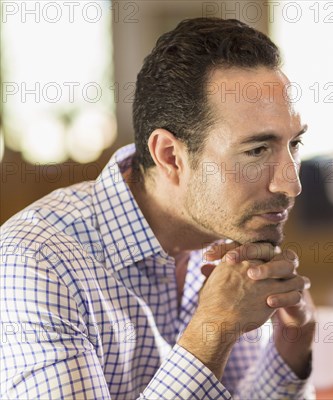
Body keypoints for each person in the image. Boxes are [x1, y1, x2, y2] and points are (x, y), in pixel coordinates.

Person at [0, 18, 316, 399]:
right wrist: (212, 331)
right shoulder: (35, 263)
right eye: (256, 151)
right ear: (170, 156)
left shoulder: (226, 238)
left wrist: (292, 345)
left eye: (293, 144)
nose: (290, 184)